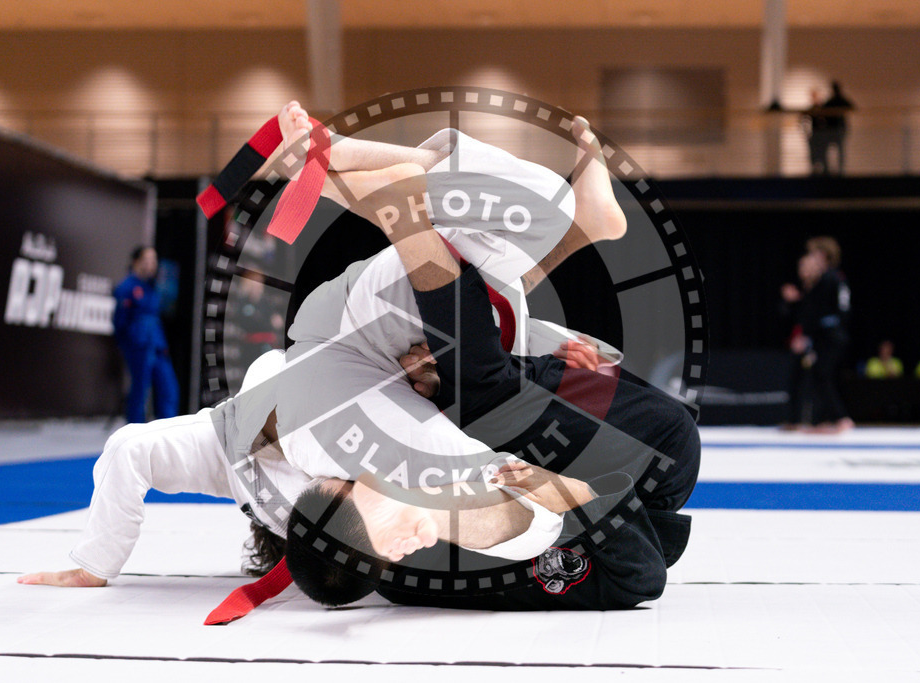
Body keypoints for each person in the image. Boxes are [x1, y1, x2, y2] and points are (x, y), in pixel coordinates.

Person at [17, 101, 638, 589]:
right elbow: (532, 518)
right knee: (519, 229)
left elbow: (129, 449)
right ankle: (349, 165)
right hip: (383, 348)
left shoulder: (255, 461)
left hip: (360, 340)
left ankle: (344, 162)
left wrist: (96, 562)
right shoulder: (366, 463)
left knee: (517, 223)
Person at [285, 159, 699, 609]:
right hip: (653, 456)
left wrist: (427, 393)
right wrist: (566, 492)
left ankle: (582, 225)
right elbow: (641, 576)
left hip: (554, 439)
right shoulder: (422, 563)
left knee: (468, 377)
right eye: (348, 484)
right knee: (484, 394)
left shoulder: (396, 558)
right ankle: (406, 219)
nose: (346, 471)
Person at [780, 237, 853, 432]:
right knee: (819, 375)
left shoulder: (828, 278)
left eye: (813, 255)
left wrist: (808, 336)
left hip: (829, 336)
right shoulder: (831, 278)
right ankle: (826, 420)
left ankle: (838, 418)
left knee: (822, 374)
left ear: (822, 256)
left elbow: (818, 312)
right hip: (827, 335)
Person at [112, 246, 180, 424]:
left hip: (158, 346)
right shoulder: (126, 287)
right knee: (140, 391)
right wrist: (131, 345)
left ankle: (167, 430)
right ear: (136, 261)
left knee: (169, 389)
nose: (152, 264)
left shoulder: (153, 288)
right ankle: (134, 432)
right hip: (139, 347)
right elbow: (120, 323)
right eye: (147, 260)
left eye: (154, 260)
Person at [819, 81, 855, 176]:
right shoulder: (836, 100)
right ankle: (834, 169)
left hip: (836, 129)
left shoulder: (836, 100)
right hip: (833, 129)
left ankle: (836, 169)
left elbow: (852, 107)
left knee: (837, 149)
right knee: (837, 149)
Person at [802, 88, 828, 176]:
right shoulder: (812, 108)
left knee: (822, 153)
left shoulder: (823, 109)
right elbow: (804, 119)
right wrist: (806, 133)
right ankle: (815, 170)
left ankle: (824, 171)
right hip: (815, 134)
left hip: (821, 134)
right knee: (814, 154)